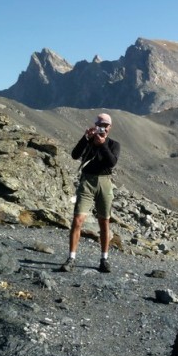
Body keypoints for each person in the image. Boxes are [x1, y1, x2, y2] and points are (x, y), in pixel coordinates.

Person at [61, 112, 121, 273]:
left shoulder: (114, 144)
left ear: (110, 127)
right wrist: (85, 138)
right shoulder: (89, 141)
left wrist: (102, 145)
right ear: (95, 125)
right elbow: (75, 155)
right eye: (100, 124)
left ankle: (104, 259)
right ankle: (71, 258)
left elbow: (112, 162)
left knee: (104, 221)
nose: (103, 128)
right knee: (78, 219)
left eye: (105, 125)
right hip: (87, 181)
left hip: (105, 182)